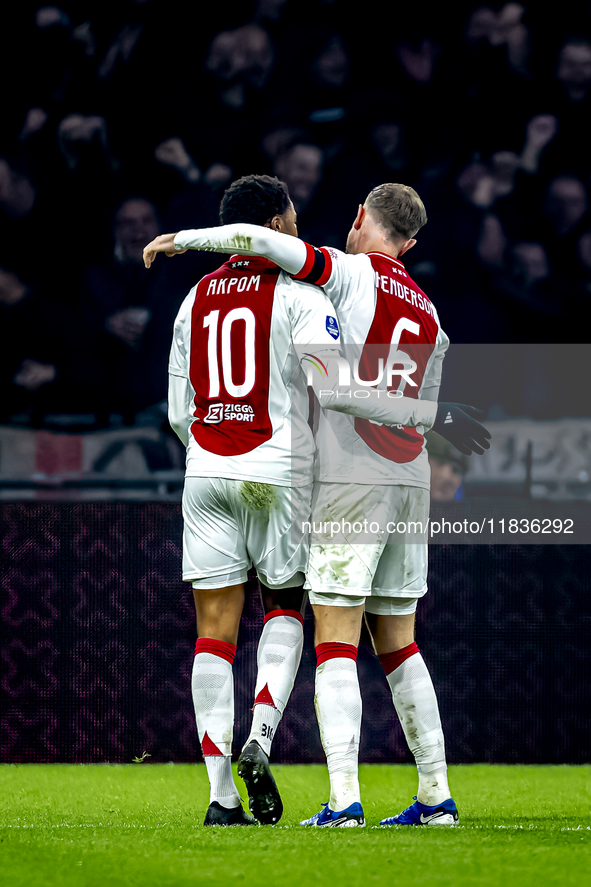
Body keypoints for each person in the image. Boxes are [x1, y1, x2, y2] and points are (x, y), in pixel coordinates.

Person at [145, 182, 491, 828]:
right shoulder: (432, 316)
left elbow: (262, 246)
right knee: (398, 643)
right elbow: (419, 416)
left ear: (360, 217)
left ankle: (340, 801)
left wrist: (183, 240)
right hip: (406, 477)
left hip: (341, 477)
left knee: (333, 640)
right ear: (411, 243)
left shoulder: (343, 273)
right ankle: (435, 796)